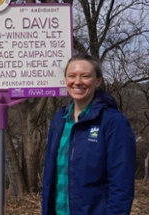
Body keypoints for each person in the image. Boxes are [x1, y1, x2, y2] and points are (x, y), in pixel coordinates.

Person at [42, 53, 136, 214]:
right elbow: (51, 178)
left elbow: (121, 184)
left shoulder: (113, 122)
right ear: (65, 80)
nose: (77, 82)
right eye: (72, 76)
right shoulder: (59, 120)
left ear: (97, 81)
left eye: (85, 76)